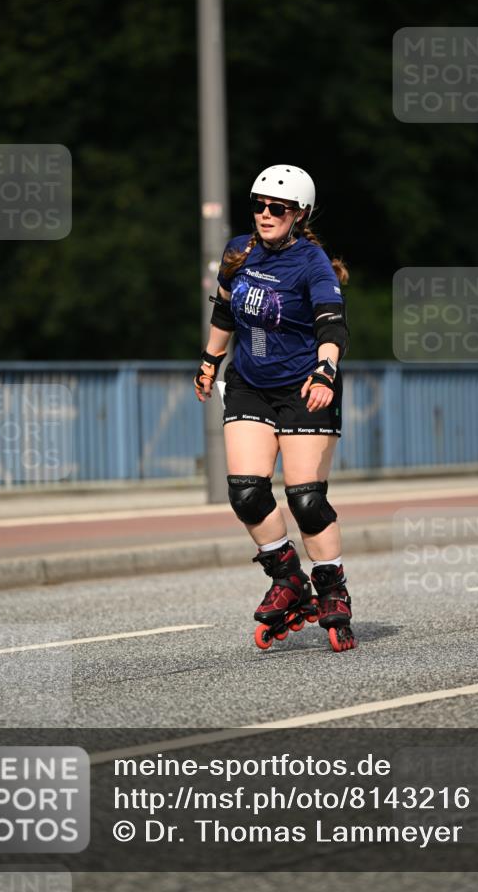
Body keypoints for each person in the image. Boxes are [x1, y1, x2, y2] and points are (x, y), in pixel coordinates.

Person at [194, 165, 356, 653]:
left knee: (306, 500)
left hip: (306, 388)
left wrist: (326, 371)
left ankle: (330, 587)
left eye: (277, 209)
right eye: (259, 205)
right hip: (248, 383)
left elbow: (333, 327)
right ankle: (286, 576)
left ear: (299, 214)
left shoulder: (312, 264)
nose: (265, 215)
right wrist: (209, 360)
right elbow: (224, 310)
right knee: (245, 492)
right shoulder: (239, 251)